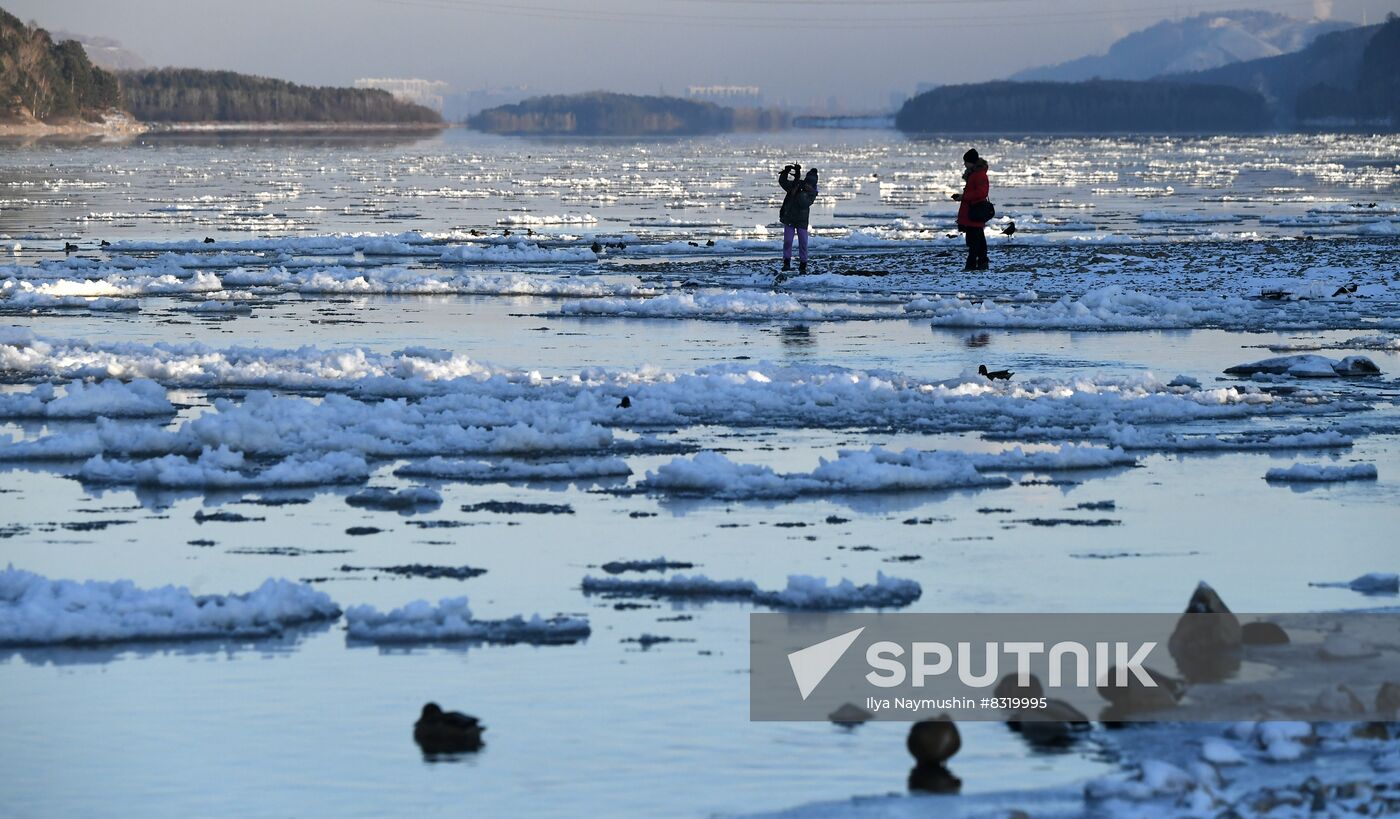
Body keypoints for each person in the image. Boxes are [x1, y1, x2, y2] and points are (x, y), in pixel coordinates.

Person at [951, 148, 990, 271]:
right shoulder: (975, 174)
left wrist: (964, 197)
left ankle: (971, 265)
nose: (964, 164)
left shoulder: (979, 175)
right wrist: (962, 197)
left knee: (974, 241)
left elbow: (981, 193)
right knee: (978, 240)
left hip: (975, 212)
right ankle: (982, 263)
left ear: (971, 162)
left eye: (966, 161)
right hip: (972, 212)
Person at [778, 163, 819, 277]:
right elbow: (784, 183)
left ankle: (803, 265)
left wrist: (800, 191)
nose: (808, 185)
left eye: (811, 184)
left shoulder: (812, 194)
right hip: (790, 218)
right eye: (807, 182)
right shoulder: (797, 184)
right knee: (788, 241)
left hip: (802, 221)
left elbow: (804, 203)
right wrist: (786, 173)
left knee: (803, 243)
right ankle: (786, 263)